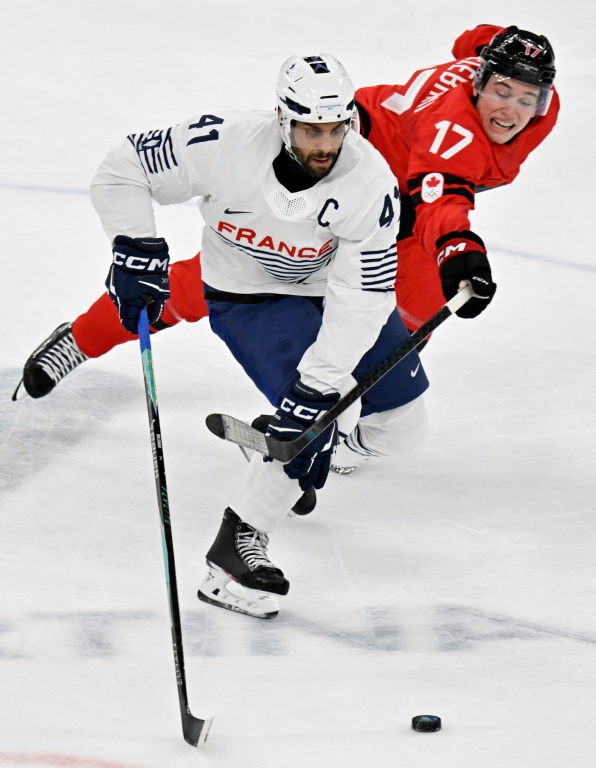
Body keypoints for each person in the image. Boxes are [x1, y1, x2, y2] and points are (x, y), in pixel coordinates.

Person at [15, 24, 555, 469]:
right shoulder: (452, 133)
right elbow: (444, 197)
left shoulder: (505, 86)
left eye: (525, 95)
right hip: (347, 176)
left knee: (405, 316)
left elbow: (472, 40)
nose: (510, 108)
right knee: (230, 276)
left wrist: (491, 45)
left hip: (400, 209)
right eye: (500, 90)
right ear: (480, 83)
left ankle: (349, 429)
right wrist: (458, 248)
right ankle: (83, 338)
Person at [78, 52, 439, 619]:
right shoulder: (223, 144)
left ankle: (315, 443)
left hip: (332, 293)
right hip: (250, 298)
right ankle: (232, 560)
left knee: (401, 425)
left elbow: (363, 297)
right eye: (310, 129)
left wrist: (320, 384)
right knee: (313, 416)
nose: (325, 144)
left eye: (336, 129)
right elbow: (124, 165)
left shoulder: (370, 183)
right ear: (281, 118)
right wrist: (134, 247)